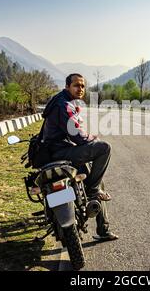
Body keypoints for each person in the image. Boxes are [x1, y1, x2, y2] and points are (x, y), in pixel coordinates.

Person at [41, 73, 118, 241]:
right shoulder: (63, 104)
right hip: (60, 152)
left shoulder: (64, 101)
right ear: (67, 86)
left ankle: (102, 228)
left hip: (60, 150)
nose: (80, 89)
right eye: (76, 85)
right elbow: (78, 136)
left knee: (95, 178)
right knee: (104, 148)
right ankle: (92, 192)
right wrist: (93, 138)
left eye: (83, 86)